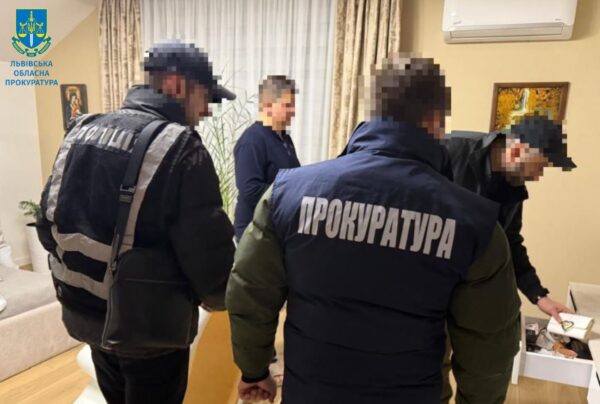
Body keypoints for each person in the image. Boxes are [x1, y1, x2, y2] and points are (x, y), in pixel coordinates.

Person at [226, 54, 521, 404]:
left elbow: (250, 294)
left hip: (311, 393)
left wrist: (254, 370)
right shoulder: (476, 225)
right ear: (436, 120)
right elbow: (489, 346)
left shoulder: (287, 195)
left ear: (373, 109)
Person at [36, 41, 235, 404]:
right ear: (176, 85)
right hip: (149, 332)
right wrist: (219, 296)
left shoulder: (80, 130)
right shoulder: (181, 147)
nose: (206, 110)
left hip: (88, 315)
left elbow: (46, 224)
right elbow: (208, 254)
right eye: (204, 97)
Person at [442, 115, 576, 319]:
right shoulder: (450, 149)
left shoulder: (514, 186)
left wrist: (539, 296)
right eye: (538, 166)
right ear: (516, 151)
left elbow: (509, 242)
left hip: (464, 284)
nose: (537, 176)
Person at [233, 75, 300, 241]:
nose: (293, 111)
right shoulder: (251, 141)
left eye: (293, 105)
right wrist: (289, 192)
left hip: (275, 229)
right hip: (255, 234)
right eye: (287, 105)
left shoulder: (285, 139)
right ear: (267, 105)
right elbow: (250, 189)